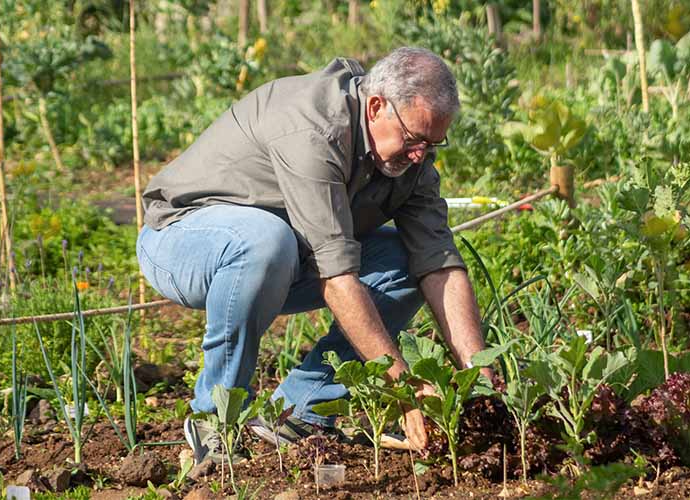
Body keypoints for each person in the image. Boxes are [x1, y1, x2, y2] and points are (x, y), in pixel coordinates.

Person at [137, 46, 492, 465]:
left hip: (282, 256)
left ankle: (299, 412)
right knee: (266, 241)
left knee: (404, 262)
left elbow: (439, 264)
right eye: (414, 140)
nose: (420, 155)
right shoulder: (314, 129)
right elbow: (337, 279)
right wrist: (405, 390)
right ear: (376, 106)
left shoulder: (410, 161)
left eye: (432, 144)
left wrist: (480, 378)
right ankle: (216, 417)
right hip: (183, 239)